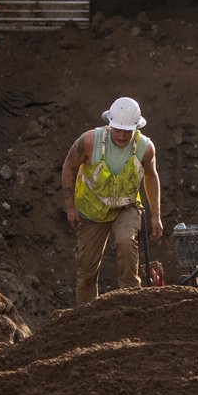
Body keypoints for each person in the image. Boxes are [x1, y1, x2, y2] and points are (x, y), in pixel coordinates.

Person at [60, 96, 163, 305]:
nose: (123, 136)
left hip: (126, 207)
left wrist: (156, 216)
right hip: (92, 210)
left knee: (125, 241)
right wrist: (70, 207)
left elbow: (152, 177)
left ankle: (131, 300)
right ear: (110, 124)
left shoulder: (145, 148)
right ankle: (86, 314)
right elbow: (69, 167)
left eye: (128, 131)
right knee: (87, 268)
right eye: (118, 130)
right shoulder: (89, 142)